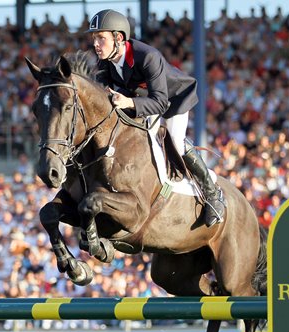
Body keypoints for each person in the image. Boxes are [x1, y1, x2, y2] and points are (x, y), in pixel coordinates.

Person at [87, 9, 225, 227]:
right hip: (141, 100)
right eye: (94, 38)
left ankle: (212, 192)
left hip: (173, 99)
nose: (95, 44)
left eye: (100, 38)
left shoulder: (147, 56)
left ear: (119, 38)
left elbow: (160, 102)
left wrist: (129, 103)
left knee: (176, 142)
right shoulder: (104, 62)